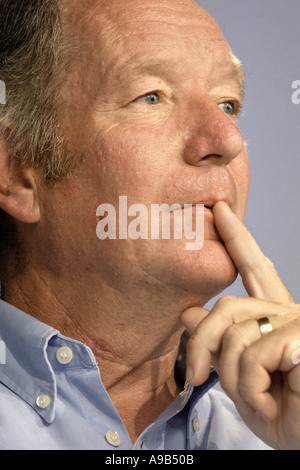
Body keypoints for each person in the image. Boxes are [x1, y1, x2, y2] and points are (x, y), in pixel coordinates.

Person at [0, 0, 299, 451]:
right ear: (20, 170)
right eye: (152, 97)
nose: (227, 140)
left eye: (227, 103)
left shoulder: (282, 421)